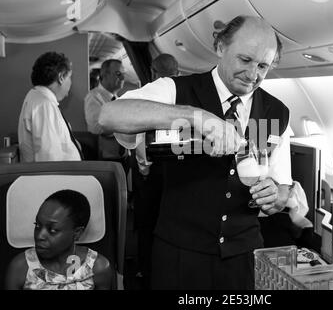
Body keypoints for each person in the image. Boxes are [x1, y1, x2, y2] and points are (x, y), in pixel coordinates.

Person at [99, 15, 307, 289]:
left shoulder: (277, 112)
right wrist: (196, 116)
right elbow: (108, 115)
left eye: (263, 66)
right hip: (180, 255)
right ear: (221, 47)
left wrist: (276, 196)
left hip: (242, 257)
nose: (253, 74)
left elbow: (281, 187)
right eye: (244, 60)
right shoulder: (176, 90)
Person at [132, 53, 179, 288]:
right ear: (178, 72)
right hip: (175, 171)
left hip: (153, 168)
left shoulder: (148, 95)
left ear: (152, 72)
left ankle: (146, 271)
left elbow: (139, 136)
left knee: (147, 222)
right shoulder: (183, 96)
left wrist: (144, 167)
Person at [4, 190, 113, 290]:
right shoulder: (20, 267)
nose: (40, 236)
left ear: (77, 233)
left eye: (52, 230)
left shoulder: (98, 268)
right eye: (37, 225)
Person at [18, 51, 83, 162]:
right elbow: (49, 158)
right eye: (69, 77)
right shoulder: (44, 105)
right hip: (58, 177)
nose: (71, 83)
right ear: (61, 77)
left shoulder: (38, 98)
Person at [84, 59, 126, 163]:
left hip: (123, 156)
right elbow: (97, 128)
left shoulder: (119, 99)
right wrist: (125, 125)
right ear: (105, 74)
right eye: (118, 74)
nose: (123, 78)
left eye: (123, 74)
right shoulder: (94, 97)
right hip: (107, 159)